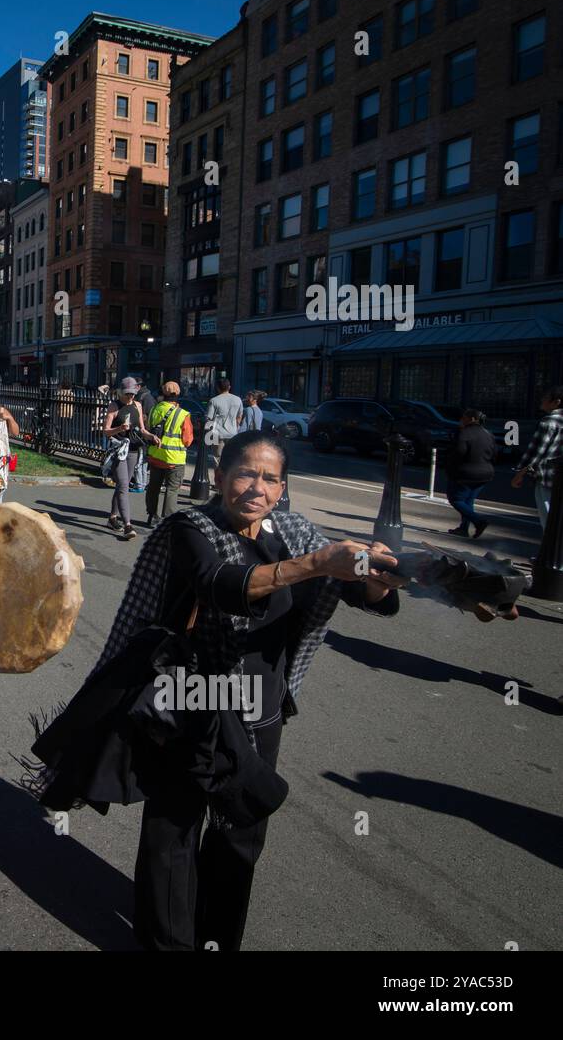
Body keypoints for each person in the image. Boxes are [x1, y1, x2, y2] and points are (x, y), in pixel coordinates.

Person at [82, 430, 405, 951]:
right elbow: (221, 584)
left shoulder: (295, 532)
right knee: (174, 829)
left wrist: (380, 577)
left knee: (241, 830)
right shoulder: (192, 527)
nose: (258, 487)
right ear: (219, 477)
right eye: (246, 473)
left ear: (283, 488)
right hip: (189, 701)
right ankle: (167, 943)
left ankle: (216, 940)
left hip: (259, 709)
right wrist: (320, 563)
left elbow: (360, 592)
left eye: (271, 478)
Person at [511, 385, 563, 531]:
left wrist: (519, 474)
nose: (542, 400)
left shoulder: (549, 422)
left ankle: (549, 552)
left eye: (546, 397)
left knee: (548, 517)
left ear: (556, 402)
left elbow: (536, 453)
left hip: (547, 477)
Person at [143, 381, 193, 528]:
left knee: (153, 487)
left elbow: (147, 429)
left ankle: (152, 515)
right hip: (174, 459)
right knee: (172, 490)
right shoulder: (182, 414)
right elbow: (188, 440)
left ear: (163, 394)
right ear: (177, 395)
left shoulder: (154, 410)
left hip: (155, 455)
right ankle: (167, 519)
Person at [103, 376, 146, 540]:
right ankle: (128, 525)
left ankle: (112, 518)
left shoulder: (138, 405)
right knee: (123, 486)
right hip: (119, 450)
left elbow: (142, 429)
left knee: (123, 486)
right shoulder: (114, 406)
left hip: (133, 451)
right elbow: (106, 431)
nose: (131, 397)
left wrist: (151, 437)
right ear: (121, 392)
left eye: (133, 394)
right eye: (128, 394)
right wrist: (119, 428)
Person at [445, 408, 495, 538]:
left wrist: (450, 469)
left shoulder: (464, 433)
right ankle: (464, 528)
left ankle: (478, 521)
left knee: (456, 499)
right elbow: (494, 453)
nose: (461, 420)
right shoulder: (488, 434)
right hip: (485, 472)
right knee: (468, 500)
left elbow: (458, 453)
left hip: (466, 472)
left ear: (472, 419)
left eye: (463, 418)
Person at [205, 378, 243, 473]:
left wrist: (207, 436)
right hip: (233, 433)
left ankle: (219, 482)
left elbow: (209, 419)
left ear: (218, 388)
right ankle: (229, 479)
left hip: (217, 433)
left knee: (217, 458)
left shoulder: (214, 401)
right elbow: (239, 417)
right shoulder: (237, 400)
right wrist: (236, 427)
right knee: (231, 457)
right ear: (229, 387)